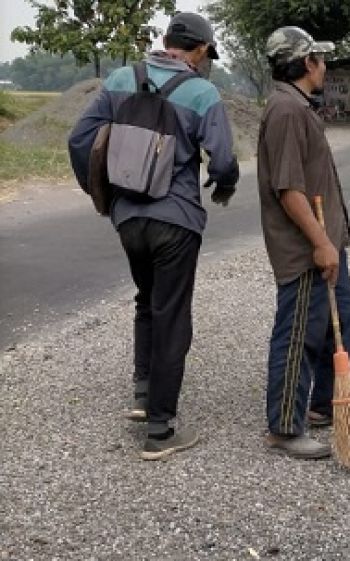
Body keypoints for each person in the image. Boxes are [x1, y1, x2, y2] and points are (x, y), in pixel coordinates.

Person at [67, 12, 239, 460]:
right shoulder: (202, 92)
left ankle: (144, 396)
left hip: (128, 219)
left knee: (147, 300)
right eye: (207, 54)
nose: (206, 61)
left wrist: (103, 193)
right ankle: (161, 430)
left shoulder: (122, 78)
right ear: (199, 49)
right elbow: (221, 159)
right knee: (171, 313)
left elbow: (78, 139)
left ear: (165, 41)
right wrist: (224, 184)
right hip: (175, 219)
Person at [257, 26, 350, 459]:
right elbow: (289, 190)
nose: (324, 65)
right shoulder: (285, 111)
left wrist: (332, 241)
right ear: (303, 63)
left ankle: (322, 405)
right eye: (319, 58)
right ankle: (284, 426)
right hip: (305, 249)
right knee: (297, 333)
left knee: (341, 321)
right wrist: (319, 243)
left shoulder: (301, 107)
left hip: (328, 241)